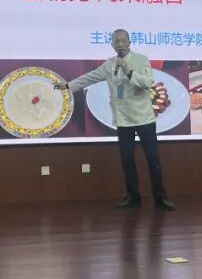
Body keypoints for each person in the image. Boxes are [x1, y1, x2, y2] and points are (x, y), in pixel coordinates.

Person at [56, 29, 175, 210]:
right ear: (112, 44)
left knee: (153, 159)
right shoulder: (109, 65)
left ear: (129, 43)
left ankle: (160, 198)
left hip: (144, 118)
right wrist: (67, 86)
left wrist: (128, 70)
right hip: (123, 120)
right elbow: (89, 78)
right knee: (127, 160)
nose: (120, 44)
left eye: (123, 41)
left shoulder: (141, 60)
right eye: (116, 41)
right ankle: (133, 197)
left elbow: (146, 83)